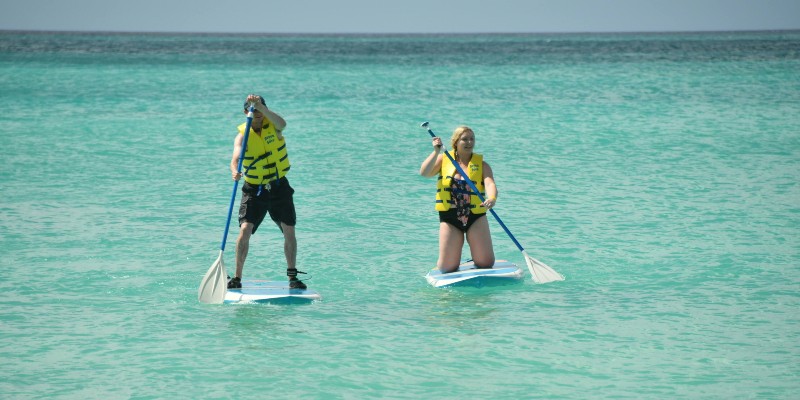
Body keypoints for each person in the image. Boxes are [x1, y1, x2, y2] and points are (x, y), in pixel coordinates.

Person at [228, 94, 306, 289]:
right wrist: (234, 171)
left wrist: (262, 107)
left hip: (279, 187)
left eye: (260, 109)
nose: (257, 114)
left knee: (289, 230)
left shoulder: (275, 127)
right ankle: (237, 278)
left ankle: (292, 278)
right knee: (245, 230)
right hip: (254, 189)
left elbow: (283, 123)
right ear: (246, 112)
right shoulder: (242, 135)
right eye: (253, 110)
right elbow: (236, 158)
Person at [419, 126, 498, 273]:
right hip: (450, 216)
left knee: (486, 263)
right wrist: (436, 152)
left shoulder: (481, 164)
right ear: (456, 142)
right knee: (446, 268)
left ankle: (477, 256)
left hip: (475, 216)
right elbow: (424, 173)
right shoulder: (444, 160)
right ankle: (451, 259)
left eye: (472, 139)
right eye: (464, 139)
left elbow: (490, 183)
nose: (469, 142)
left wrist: (492, 198)